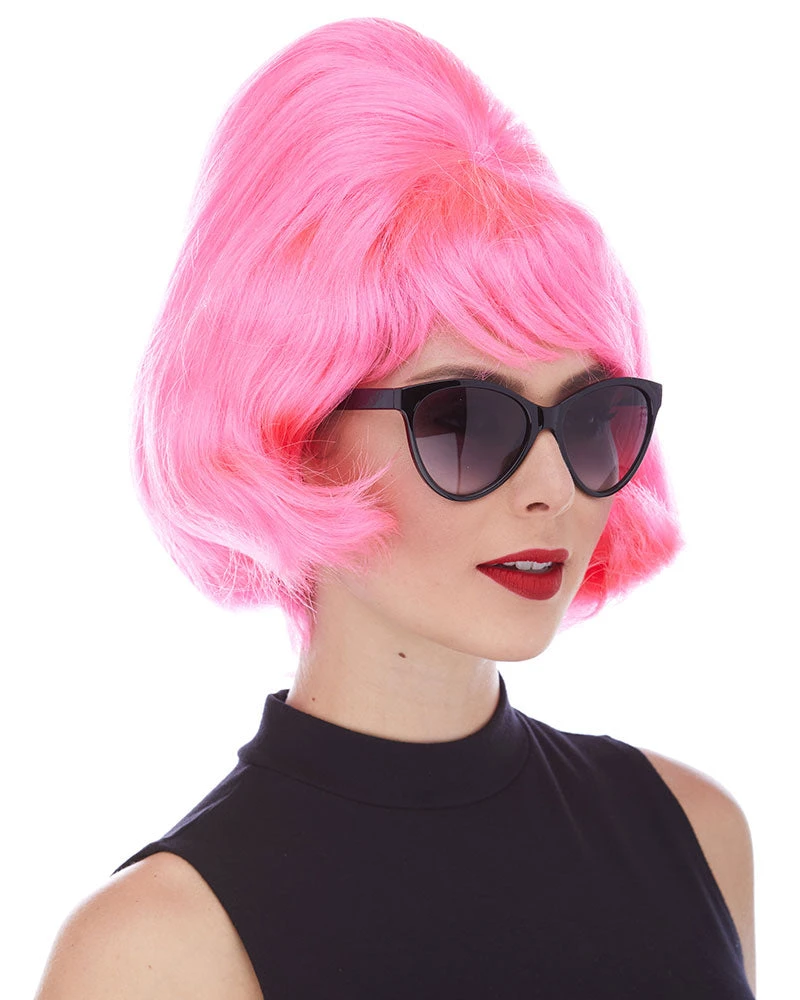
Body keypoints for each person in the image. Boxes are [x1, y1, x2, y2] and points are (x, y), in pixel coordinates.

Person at [34, 17, 756, 999]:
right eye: (469, 421)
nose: (552, 486)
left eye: (590, 418)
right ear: (296, 432)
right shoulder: (159, 955)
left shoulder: (695, 834)